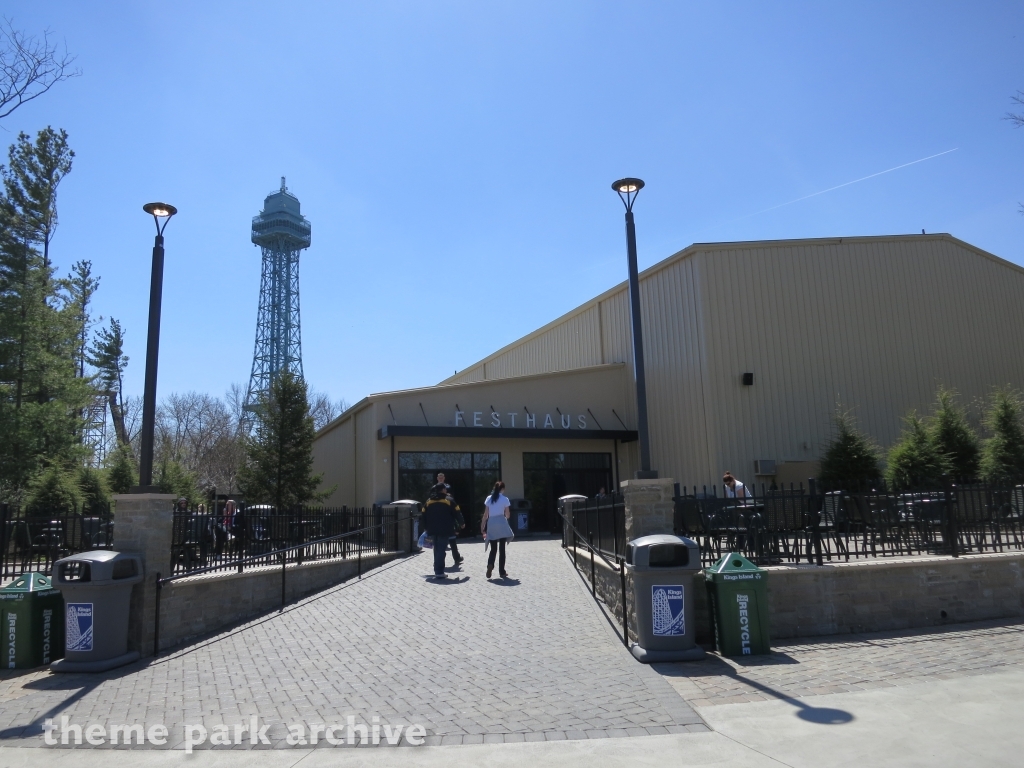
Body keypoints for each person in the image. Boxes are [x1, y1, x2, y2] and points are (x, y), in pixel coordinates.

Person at [421, 483, 458, 579]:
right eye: (445, 489)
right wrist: (461, 523)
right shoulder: (448, 500)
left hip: (432, 529)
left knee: (437, 549)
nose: (446, 490)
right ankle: (439, 571)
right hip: (444, 529)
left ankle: (437, 568)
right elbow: (457, 512)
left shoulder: (429, 501)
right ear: (442, 490)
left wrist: (425, 527)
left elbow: (423, 514)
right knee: (441, 549)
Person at [481, 481, 513, 579]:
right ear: (502, 489)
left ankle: (490, 564)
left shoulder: (489, 499)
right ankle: (502, 572)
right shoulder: (505, 499)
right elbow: (507, 515)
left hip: (491, 523)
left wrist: (483, 525)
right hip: (501, 522)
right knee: (502, 549)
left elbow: (486, 514)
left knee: (493, 548)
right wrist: (505, 518)